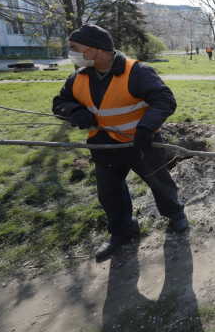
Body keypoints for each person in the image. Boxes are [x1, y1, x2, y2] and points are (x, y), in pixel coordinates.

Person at [52, 24, 188, 261]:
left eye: (75, 47)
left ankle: (175, 214)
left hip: (141, 143)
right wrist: (73, 110)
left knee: (159, 181)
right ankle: (123, 230)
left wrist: (146, 127)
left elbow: (164, 100)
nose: (70, 52)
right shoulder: (77, 77)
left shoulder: (137, 72)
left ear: (96, 49)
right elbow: (59, 103)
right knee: (109, 192)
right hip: (104, 146)